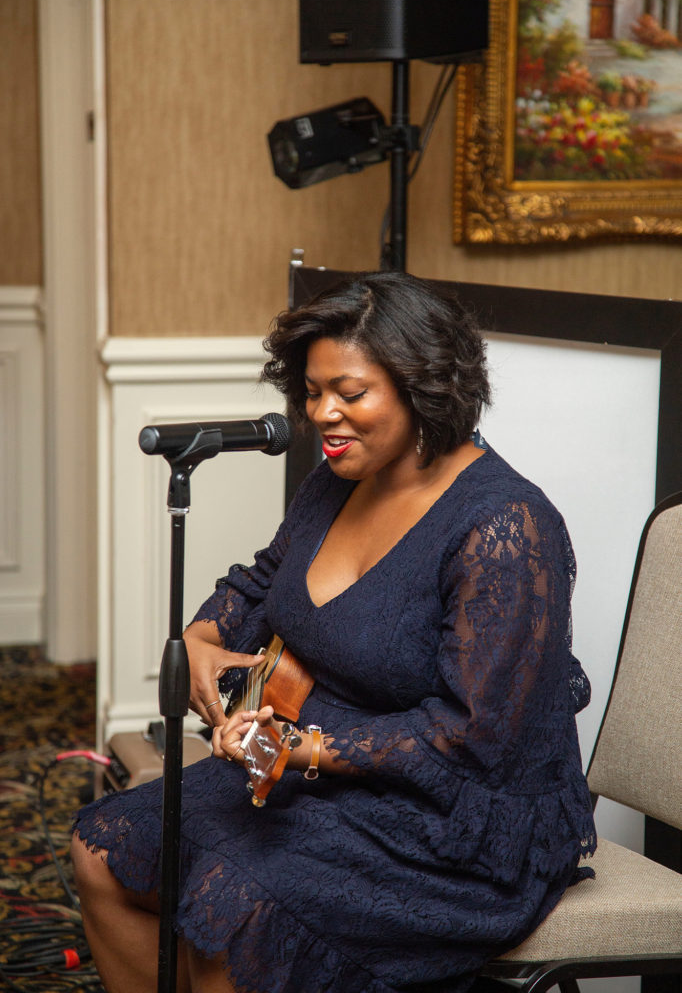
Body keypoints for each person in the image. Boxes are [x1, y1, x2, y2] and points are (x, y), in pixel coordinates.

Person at [71, 271, 596, 993]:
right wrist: (200, 634)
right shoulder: (337, 479)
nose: (323, 414)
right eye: (314, 393)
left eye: (350, 394)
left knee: (236, 907)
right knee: (103, 847)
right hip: (316, 776)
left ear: (424, 386)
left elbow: (472, 737)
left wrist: (307, 747)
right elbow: (263, 582)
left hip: (456, 824)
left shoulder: (504, 524)